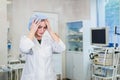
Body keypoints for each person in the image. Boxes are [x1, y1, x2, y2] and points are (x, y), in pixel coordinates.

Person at [19, 13, 66, 80]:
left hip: (48, 77)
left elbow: (62, 48)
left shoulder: (49, 40)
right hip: (33, 77)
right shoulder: (26, 39)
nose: (42, 30)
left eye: (45, 27)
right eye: (39, 27)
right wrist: (32, 30)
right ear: (33, 26)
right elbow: (24, 48)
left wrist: (50, 31)